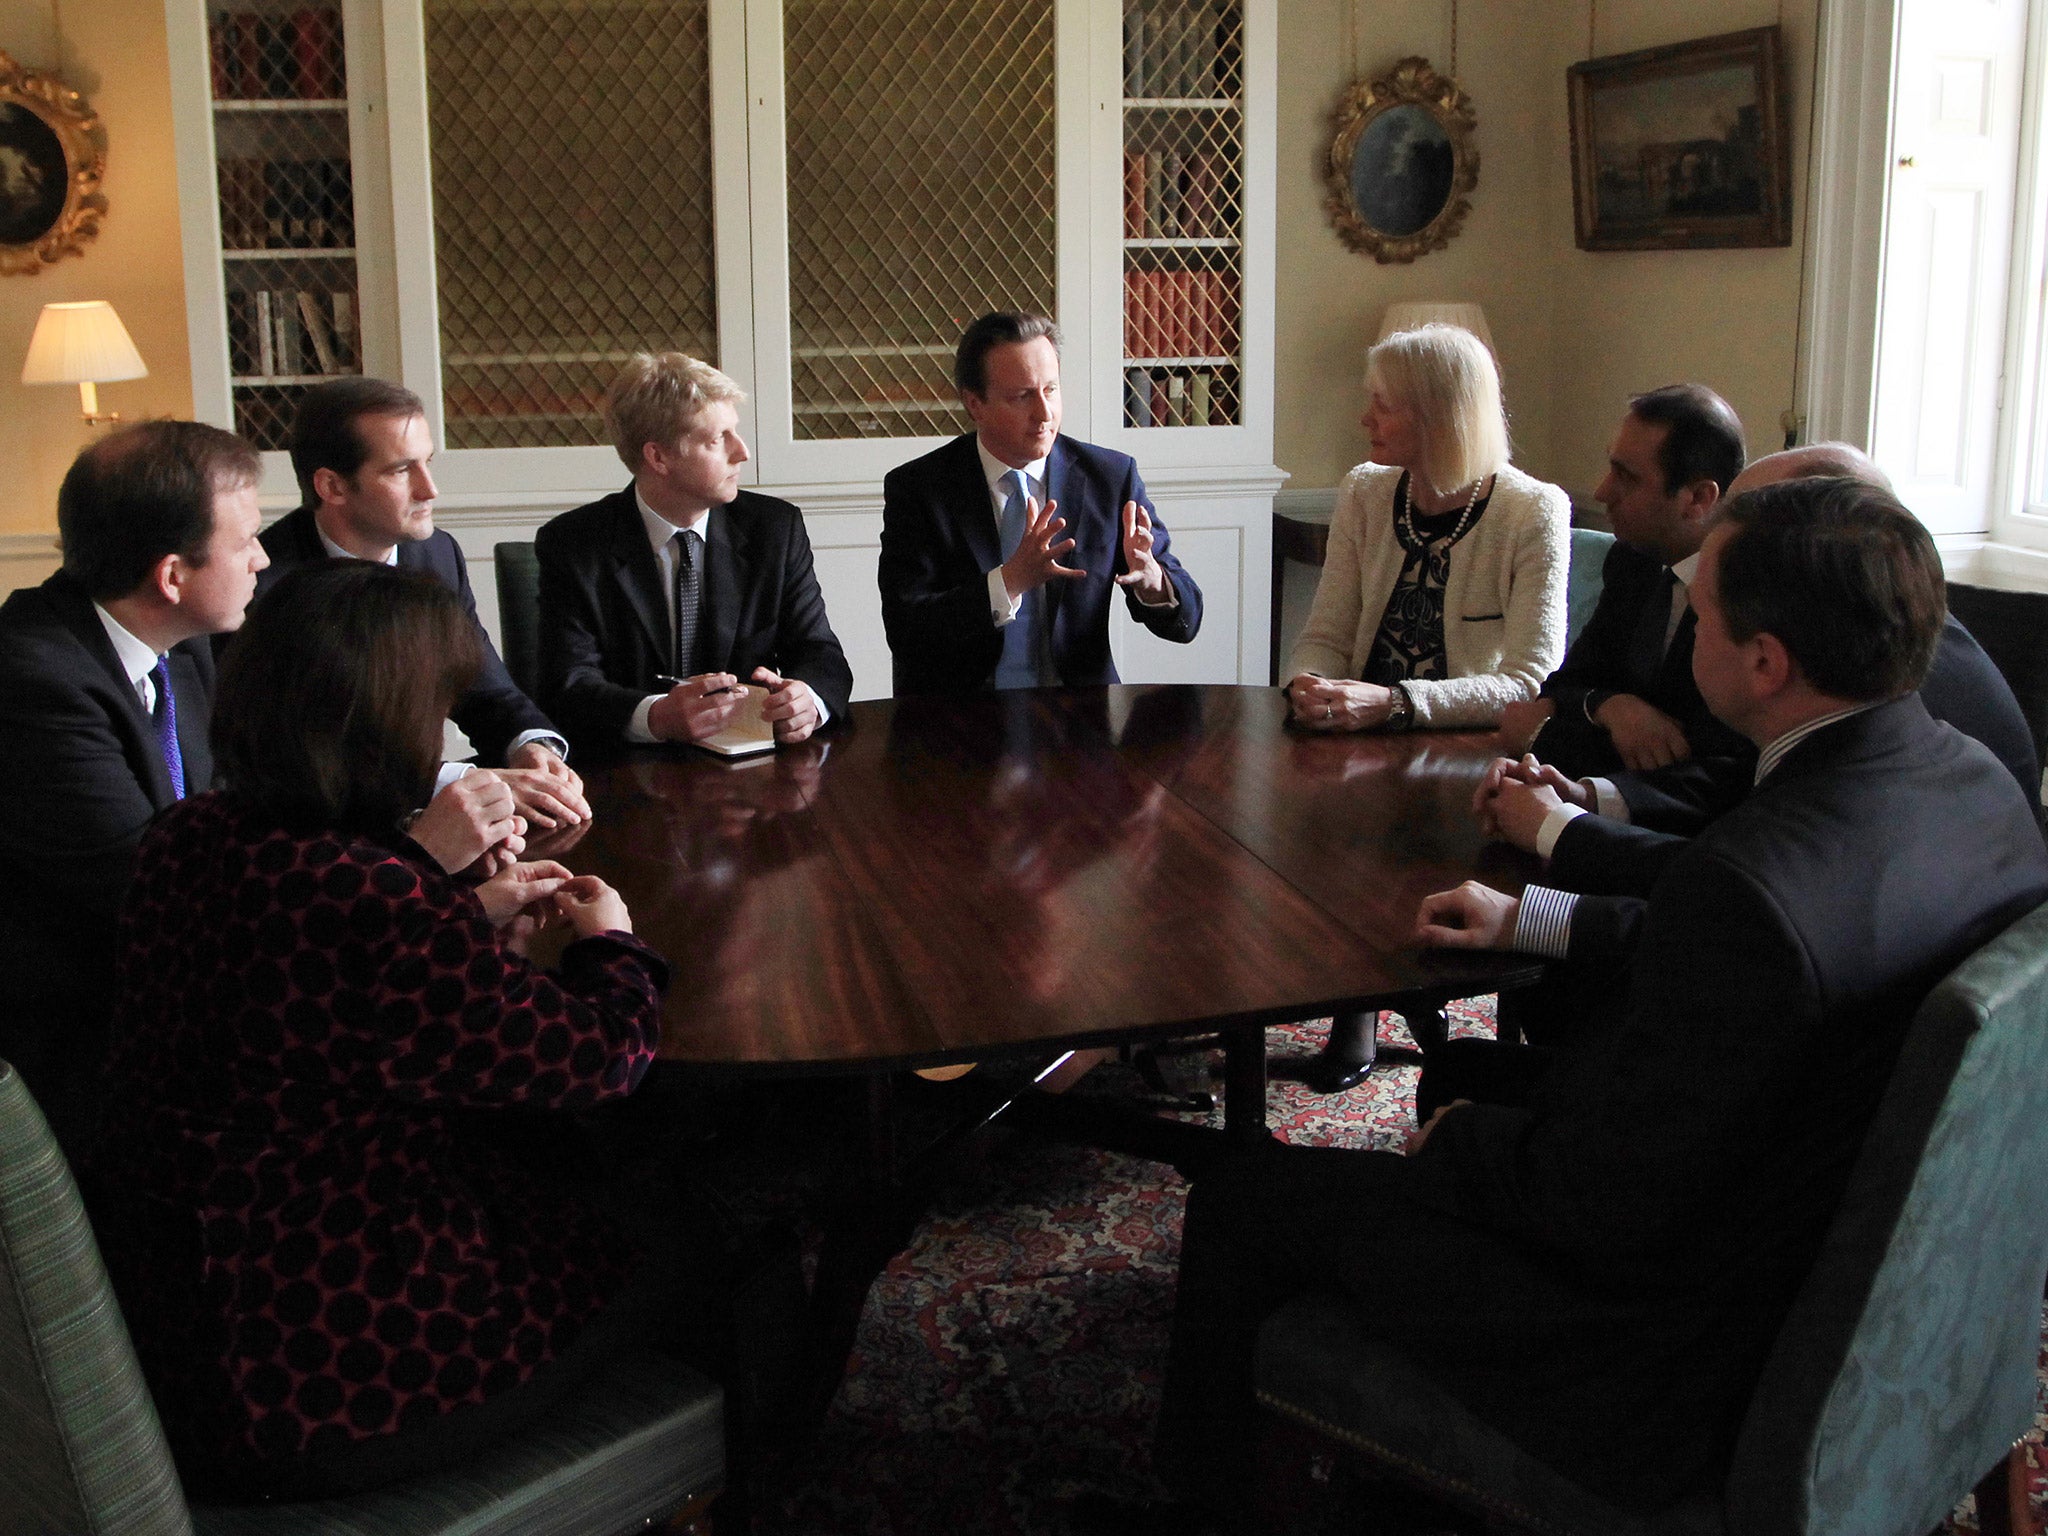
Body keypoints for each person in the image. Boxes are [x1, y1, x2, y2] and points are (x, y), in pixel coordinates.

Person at [1153, 475, 2048, 1529]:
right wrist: (1525, 940)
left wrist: (1458, 1141)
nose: (1687, 632)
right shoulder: (1973, 786)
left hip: (1667, 1354)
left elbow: (1601, 1206)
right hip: (1823, 1237)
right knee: (1474, 1065)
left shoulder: (1754, 886)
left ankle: (1196, 1507)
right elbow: (1758, 960)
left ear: (1766, 663)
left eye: (1702, 615)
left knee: (1244, 1196)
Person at [87, 561, 673, 1500]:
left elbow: (290, 987)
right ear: (385, 719)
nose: (443, 735)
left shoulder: (188, 835)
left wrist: (455, 910)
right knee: (705, 1232)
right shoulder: (372, 896)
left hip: (177, 1325)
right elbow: (605, 1059)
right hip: (335, 1376)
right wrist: (613, 944)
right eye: (437, 712)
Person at [1282, 322, 1569, 1091]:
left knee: (1384, 826)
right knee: (1293, 809)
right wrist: (1309, 683)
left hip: (1464, 744)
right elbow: (1326, 632)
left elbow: (1528, 678)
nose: (1364, 421)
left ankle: (1383, 998)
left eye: (1382, 407)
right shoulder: (1367, 491)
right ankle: (1358, 998)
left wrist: (1396, 705)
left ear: (1438, 414)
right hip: (1361, 730)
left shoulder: (1530, 510)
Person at [0, 420, 269, 1154]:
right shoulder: (34, 678)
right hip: (85, 1049)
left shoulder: (176, 647)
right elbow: (151, 885)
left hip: (175, 994)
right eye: (246, 541)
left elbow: (248, 795)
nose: (262, 558)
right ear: (172, 575)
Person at [253, 377, 589, 832]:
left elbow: (483, 688)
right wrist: (465, 780)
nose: (430, 490)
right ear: (331, 485)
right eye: (400, 470)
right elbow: (311, 758)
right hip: (320, 832)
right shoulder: (263, 584)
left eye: (427, 463)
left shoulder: (437, 555)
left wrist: (529, 748)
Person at [535, 352, 852, 749]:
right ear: (658, 457)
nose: (742, 452)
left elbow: (819, 652)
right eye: (718, 439)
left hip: (751, 771)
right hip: (624, 770)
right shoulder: (574, 544)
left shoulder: (774, 529)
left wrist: (809, 700)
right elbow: (567, 685)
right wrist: (656, 716)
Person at [877, 310, 1202, 695]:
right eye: (1022, 396)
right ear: (975, 403)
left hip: (1079, 719)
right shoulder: (920, 488)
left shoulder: (1110, 478)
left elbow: (1187, 622)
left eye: (1051, 389)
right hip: (960, 723)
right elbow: (907, 631)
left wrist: (1153, 583)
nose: (1045, 414)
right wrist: (1010, 581)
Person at [1495, 383, 1749, 777]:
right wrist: (1610, 706)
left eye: (1626, 477)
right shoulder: (1634, 559)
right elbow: (1564, 686)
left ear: (1699, 498)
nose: (1601, 491)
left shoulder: (1744, 593)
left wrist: (1541, 737)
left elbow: (1687, 766)